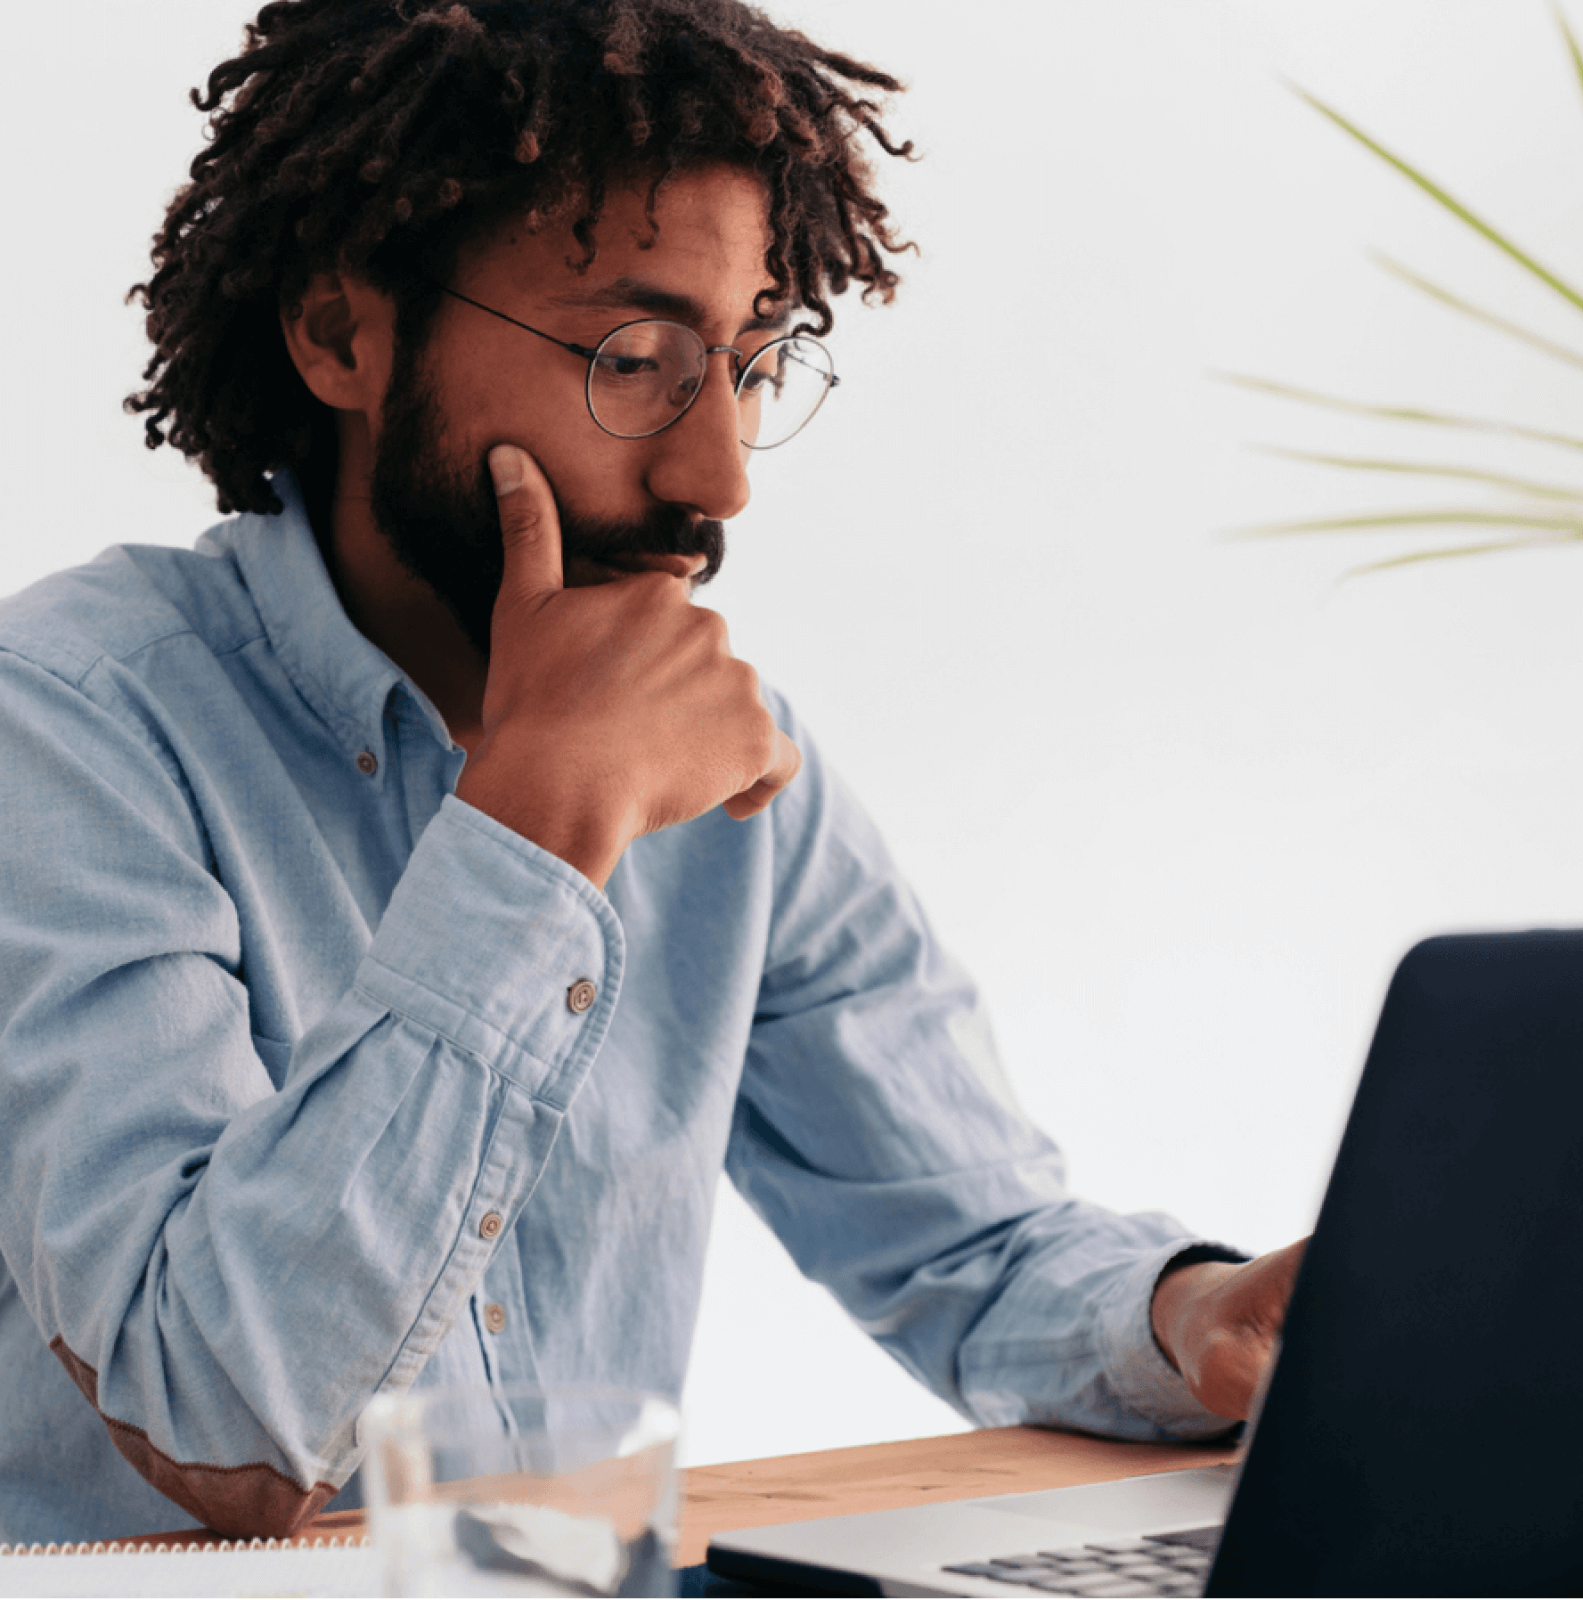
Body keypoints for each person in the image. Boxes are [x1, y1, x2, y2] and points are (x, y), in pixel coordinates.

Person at [0, 0, 1303, 1545]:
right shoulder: (66, 725)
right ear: (343, 332)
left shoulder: (733, 770)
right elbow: (219, 1408)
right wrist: (541, 826)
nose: (720, 473)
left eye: (752, 359)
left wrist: (1192, 1315)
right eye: (635, 357)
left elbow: (979, 1242)